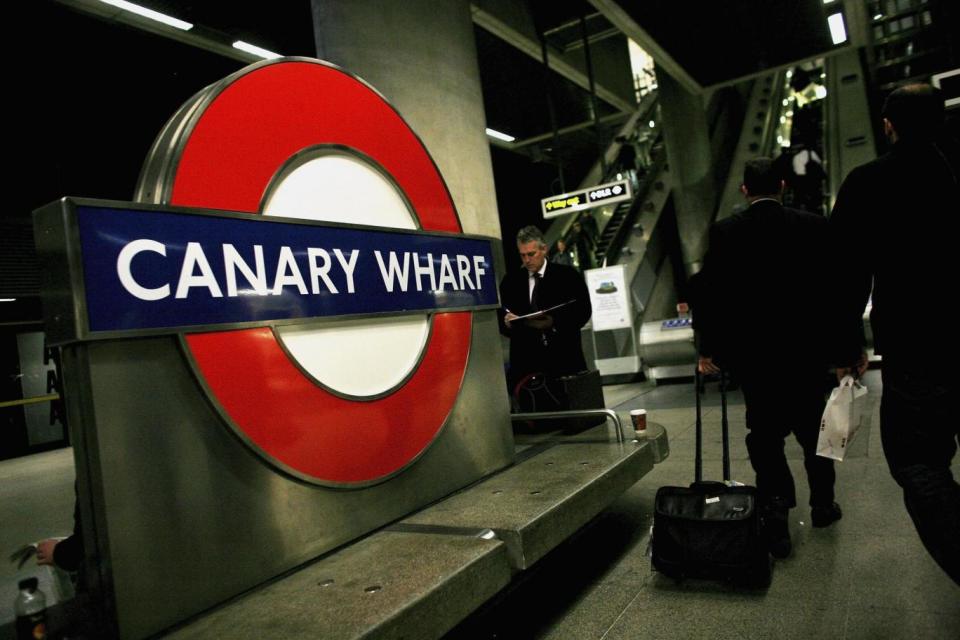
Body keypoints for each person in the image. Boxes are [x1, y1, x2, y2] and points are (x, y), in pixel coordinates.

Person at [830, 83, 960, 585]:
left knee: (918, 461)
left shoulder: (869, 181)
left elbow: (844, 274)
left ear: (888, 125)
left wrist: (846, 346)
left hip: (916, 344)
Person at [692, 157, 840, 559]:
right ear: (782, 184)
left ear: (744, 190)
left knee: (766, 439)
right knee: (815, 436)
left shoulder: (726, 233)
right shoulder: (814, 225)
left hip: (756, 361)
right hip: (809, 357)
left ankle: (777, 518)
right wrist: (848, 348)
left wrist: (708, 348)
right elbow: (835, 292)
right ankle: (823, 505)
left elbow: (710, 295)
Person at [499, 226, 592, 391]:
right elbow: (500, 313)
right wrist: (506, 322)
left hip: (564, 358)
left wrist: (554, 322)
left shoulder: (567, 276)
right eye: (523, 255)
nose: (527, 260)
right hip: (527, 363)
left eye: (531, 254)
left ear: (544, 250)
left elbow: (583, 311)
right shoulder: (511, 281)